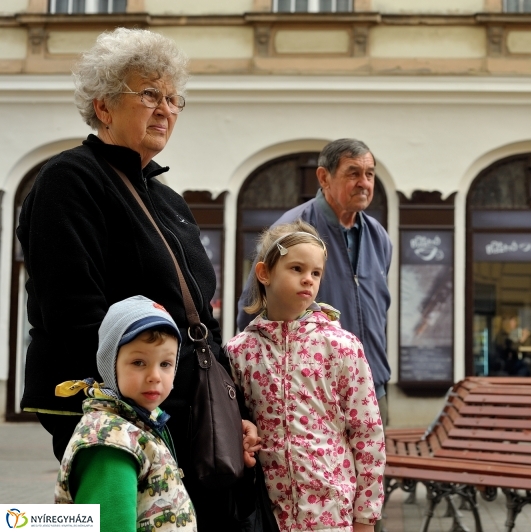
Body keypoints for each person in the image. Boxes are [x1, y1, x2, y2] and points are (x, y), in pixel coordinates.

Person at [15, 28, 256, 531]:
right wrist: (139, 402)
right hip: (118, 410)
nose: (165, 109)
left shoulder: (166, 198)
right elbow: (73, 312)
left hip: (188, 406)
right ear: (103, 107)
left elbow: (200, 315)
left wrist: (232, 409)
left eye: (172, 98)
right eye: (149, 94)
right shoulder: (69, 180)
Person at [228, 221, 385, 532]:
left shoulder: (341, 347)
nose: (308, 279)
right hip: (266, 514)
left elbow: (367, 433)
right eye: (297, 268)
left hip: (331, 513)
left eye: (316, 273)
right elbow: (236, 425)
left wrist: (366, 517)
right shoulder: (240, 351)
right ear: (264, 273)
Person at [236, 139, 391, 434]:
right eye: (353, 173)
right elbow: (252, 307)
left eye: (370, 174)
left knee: (369, 461)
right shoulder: (292, 229)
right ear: (324, 177)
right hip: (310, 391)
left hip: (372, 386)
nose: (364, 183)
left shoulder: (378, 236)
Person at [54, 296, 196, 531]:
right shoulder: (109, 443)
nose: (154, 376)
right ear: (110, 364)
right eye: (139, 362)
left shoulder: (141, 422)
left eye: (165, 364)